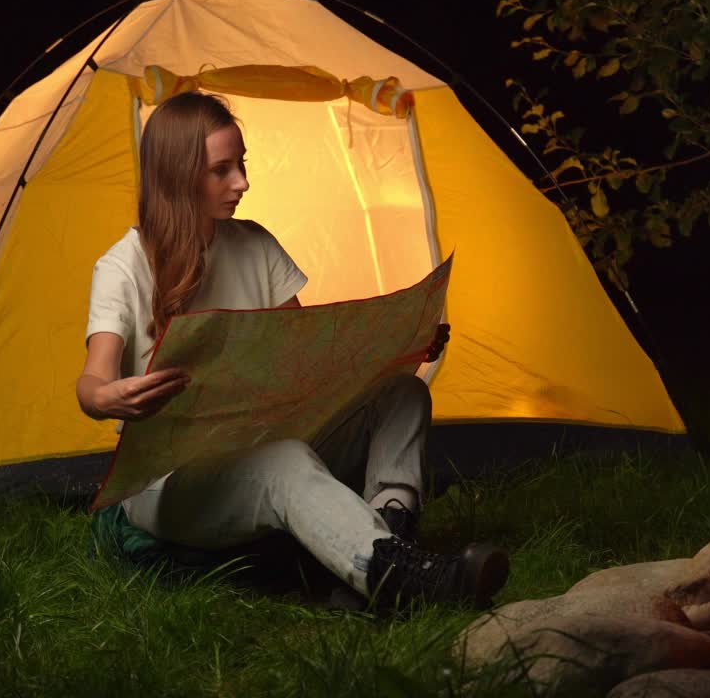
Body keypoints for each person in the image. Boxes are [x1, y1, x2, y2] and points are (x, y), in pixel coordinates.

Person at [76, 90, 509, 612]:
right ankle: (402, 577)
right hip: (168, 488)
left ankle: (389, 542)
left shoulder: (256, 245)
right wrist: (110, 398)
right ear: (176, 175)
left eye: (242, 165)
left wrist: (398, 350)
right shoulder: (122, 267)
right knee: (283, 461)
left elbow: (311, 360)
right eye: (222, 170)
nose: (242, 182)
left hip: (270, 441)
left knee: (402, 393)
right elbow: (92, 383)